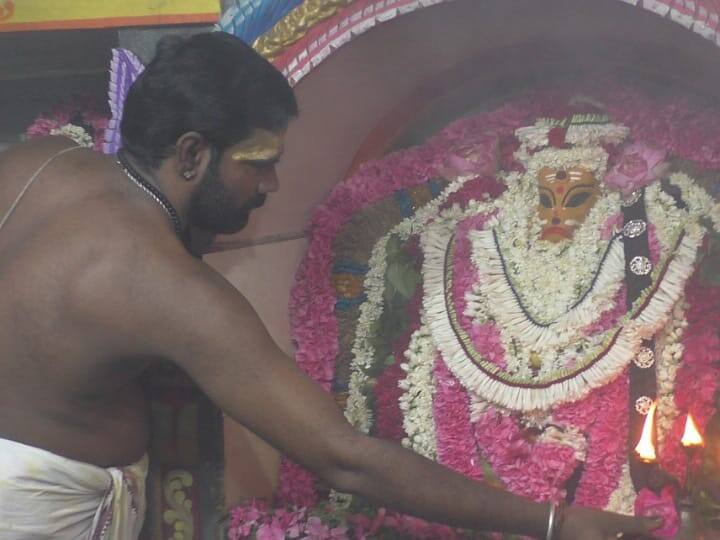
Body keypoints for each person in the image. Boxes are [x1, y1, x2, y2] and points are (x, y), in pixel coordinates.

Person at [0, 32, 662, 539]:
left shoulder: (38, 162)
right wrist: (550, 523)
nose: (271, 187)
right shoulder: (168, 287)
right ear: (193, 153)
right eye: (257, 164)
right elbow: (346, 460)